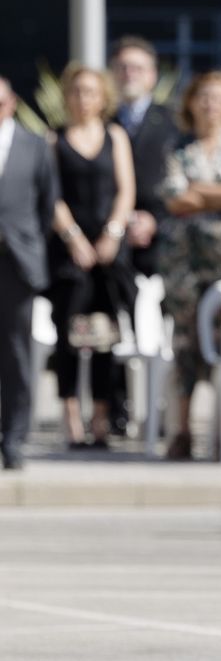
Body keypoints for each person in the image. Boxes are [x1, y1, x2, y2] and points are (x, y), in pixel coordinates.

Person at [157, 71, 221, 460]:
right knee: (186, 343)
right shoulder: (178, 145)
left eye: (218, 98)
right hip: (184, 262)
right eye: (203, 97)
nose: (210, 105)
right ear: (191, 102)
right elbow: (174, 200)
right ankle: (182, 430)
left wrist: (198, 190)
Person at [47, 64, 137, 450]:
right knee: (68, 337)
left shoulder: (115, 136)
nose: (83, 99)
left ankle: (100, 420)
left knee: (103, 338)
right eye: (77, 92)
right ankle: (72, 422)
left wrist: (113, 234)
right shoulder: (54, 141)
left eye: (90, 92)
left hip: (108, 253)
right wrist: (73, 238)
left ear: (103, 98)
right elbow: (51, 195)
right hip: (69, 254)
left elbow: (125, 190)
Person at [0, 76, 59, 471]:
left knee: (17, 354)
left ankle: (14, 438)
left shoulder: (34, 145)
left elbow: (47, 205)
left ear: (12, 102)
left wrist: (26, 244)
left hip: (16, 262)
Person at [109, 36, 180, 278]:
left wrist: (154, 220)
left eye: (138, 68)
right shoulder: (98, 123)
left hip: (165, 241)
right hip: (109, 240)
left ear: (152, 75)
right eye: (122, 68)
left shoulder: (175, 122)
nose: (130, 74)